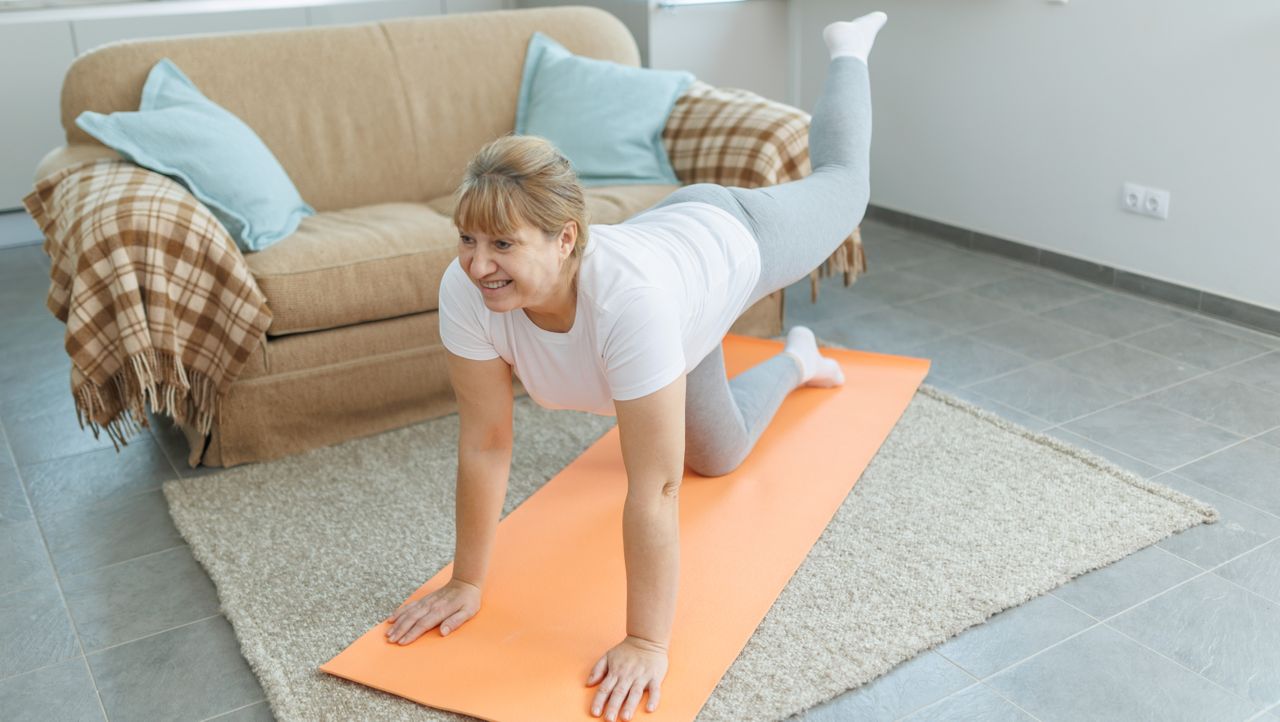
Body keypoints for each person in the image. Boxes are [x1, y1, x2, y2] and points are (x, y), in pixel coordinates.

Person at [385, 12, 887, 722]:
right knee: (721, 456)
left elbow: (652, 488)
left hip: (730, 239)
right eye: (466, 238)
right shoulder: (467, 289)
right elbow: (486, 440)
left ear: (565, 240)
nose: (476, 263)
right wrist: (467, 582)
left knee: (845, 185)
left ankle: (849, 48)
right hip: (678, 304)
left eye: (502, 243)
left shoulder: (630, 306)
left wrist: (647, 640)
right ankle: (799, 359)